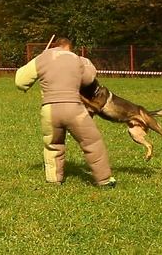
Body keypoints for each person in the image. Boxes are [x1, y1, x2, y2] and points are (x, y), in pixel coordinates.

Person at [15, 37, 116, 187]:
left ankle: (54, 180)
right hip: (74, 109)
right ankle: (104, 180)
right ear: (69, 47)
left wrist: (38, 62)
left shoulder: (42, 57)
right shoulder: (77, 59)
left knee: (53, 144)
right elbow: (89, 78)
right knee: (92, 142)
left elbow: (20, 81)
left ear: (55, 46)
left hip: (49, 110)